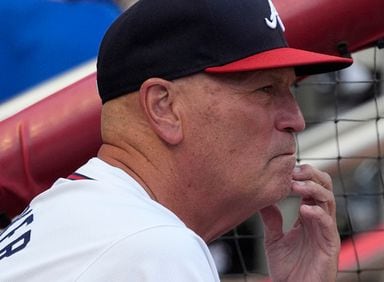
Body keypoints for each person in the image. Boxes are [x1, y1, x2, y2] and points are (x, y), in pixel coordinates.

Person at [0, 0, 352, 281]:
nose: (296, 120)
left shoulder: (85, 216)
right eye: (264, 90)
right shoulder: (151, 248)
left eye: (290, 90)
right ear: (164, 107)